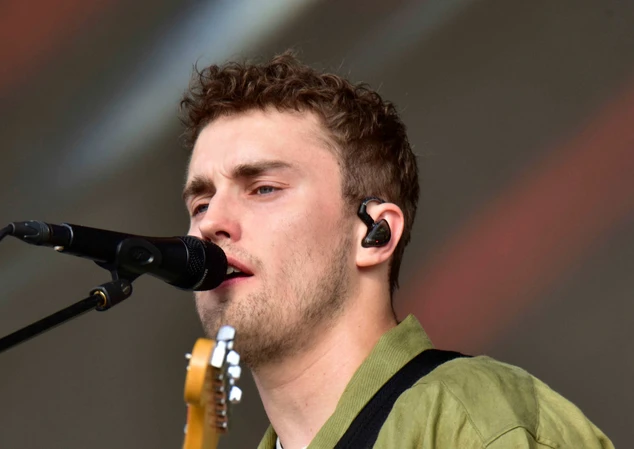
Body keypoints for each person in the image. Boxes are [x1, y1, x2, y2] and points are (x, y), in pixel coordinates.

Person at [179, 51, 614, 449]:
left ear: (376, 233)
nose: (211, 222)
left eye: (263, 188)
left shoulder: (474, 423)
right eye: (200, 203)